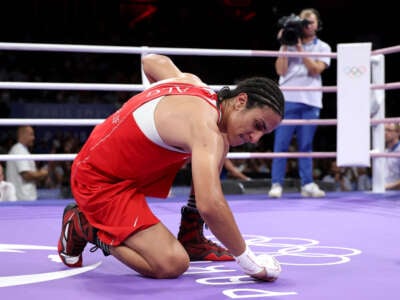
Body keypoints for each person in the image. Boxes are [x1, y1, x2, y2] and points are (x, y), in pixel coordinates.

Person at [57, 53, 284, 281]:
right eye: (257, 125)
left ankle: (191, 235)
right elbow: (211, 205)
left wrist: (158, 104)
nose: (255, 138)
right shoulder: (205, 128)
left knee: (220, 142)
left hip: (114, 162)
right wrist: (249, 262)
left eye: (263, 133)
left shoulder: (193, 83)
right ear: (240, 101)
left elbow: (152, 61)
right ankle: (83, 225)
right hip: (99, 180)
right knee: (171, 263)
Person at [268, 8, 331, 198]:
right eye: (304, 22)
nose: (308, 25)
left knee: (306, 144)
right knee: (281, 143)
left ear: (318, 25)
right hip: (288, 99)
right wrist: (286, 45)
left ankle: (308, 184)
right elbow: (280, 70)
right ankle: (276, 184)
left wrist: (301, 49)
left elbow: (315, 70)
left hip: (310, 101)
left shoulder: (324, 47)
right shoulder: (288, 43)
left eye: (311, 22)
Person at [6, 126, 48, 200]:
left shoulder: (22, 150)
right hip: (23, 199)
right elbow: (26, 175)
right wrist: (42, 173)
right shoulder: (19, 150)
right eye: (31, 134)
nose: (34, 138)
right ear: (23, 135)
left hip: (24, 198)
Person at [384, 122, 400, 190]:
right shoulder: (384, 152)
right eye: (384, 130)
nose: (385, 133)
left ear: (398, 133)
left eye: (389, 130)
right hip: (385, 193)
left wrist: (388, 186)